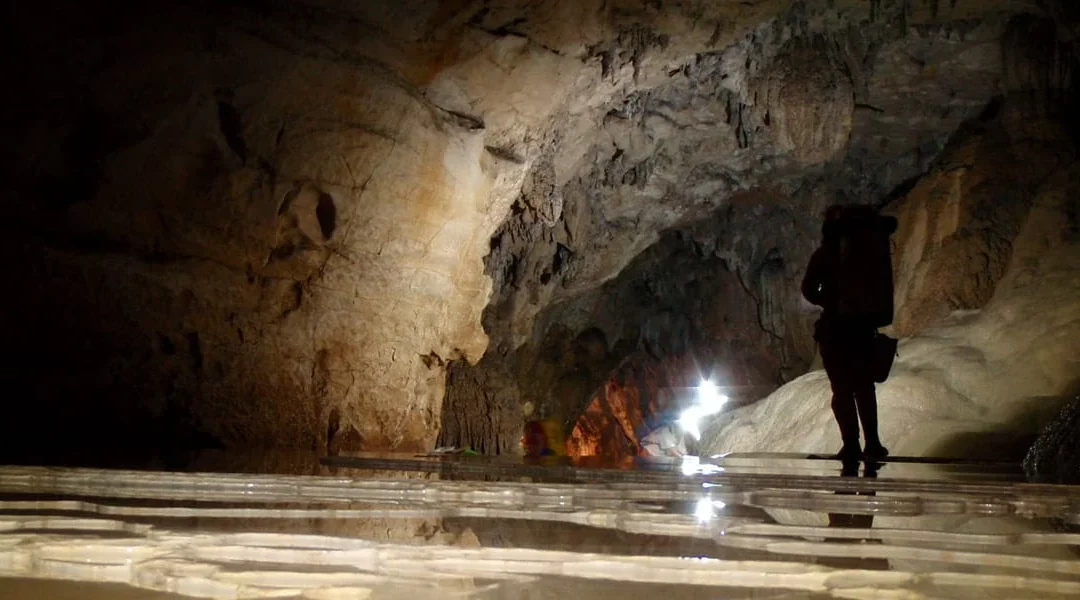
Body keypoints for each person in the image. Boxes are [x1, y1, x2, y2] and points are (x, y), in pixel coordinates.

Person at [802, 204, 897, 462]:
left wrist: (828, 300)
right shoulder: (870, 252)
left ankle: (851, 445)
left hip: (836, 330)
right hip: (863, 330)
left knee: (842, 389)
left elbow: (809, 288)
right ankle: (873, 443)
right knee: (864, 388)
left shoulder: (826, 254)